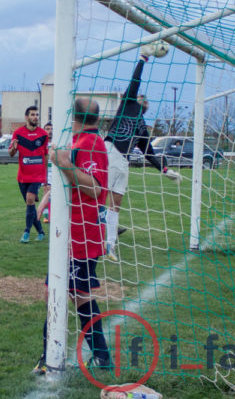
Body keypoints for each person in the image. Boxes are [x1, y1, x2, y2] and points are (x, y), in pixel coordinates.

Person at [33, 98, 111, 375]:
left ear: (73, 115)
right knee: (71, 294)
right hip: (69, 233)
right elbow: (71, 185)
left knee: (65, 294)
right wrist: (49, 198)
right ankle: (98, 356)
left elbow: (95, 188)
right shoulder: (78, 140)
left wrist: (63, 163)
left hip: (81, 234)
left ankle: (50, 358)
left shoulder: (91, 143)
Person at [103, 43, 182, 261]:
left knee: (115, 203)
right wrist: (143, 59)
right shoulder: (127, 105)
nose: (141, 98)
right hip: (110, 153)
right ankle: (87, 233)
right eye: (140, 97)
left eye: (144, 99)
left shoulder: (141, 126)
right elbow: (134, 83)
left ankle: (110, 245)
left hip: (123, 163)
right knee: (98, 197)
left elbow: (149, 152)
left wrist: (165, 170)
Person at [8, 106, 49, 243]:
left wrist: (46, 177)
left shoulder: (43, 134)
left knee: (30, 199)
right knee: (30, 205)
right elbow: (11, 153)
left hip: (37, 175)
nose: (35, 117)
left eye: (37, 114)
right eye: (32, 114)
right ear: (26, 117)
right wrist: (13, 148)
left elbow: (46, 155)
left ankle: (26, 232)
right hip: (23, 176)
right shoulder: (18, 133)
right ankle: (41, 232)